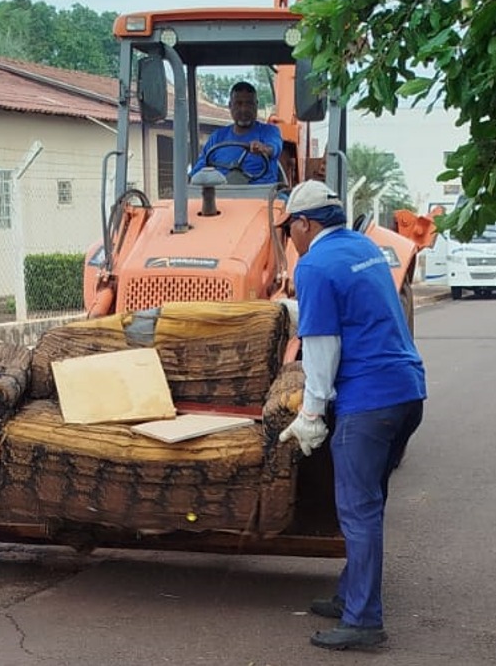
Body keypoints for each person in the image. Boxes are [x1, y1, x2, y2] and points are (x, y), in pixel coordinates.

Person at [275, 181, 426, 651]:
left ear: (304, 224)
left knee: (357, 512)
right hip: (407, 393)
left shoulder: (314, 264)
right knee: (369, 504)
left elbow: (323, 346)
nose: (289, 239)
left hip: (369, 402)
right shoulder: (364, 248)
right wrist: (285, 310)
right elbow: (352, 312)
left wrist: (312, 413)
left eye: (290, 230)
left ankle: (363, 620)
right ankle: (350, 595)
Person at [190, 81, 282, 184]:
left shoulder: (269, 131)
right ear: (230, 105)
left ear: (256, 105)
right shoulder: (217, 137)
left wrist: (264, 149)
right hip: (222, 194)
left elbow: (274, 148)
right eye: (239, 104)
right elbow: (199, 170)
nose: (244, 109)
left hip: (262, 193)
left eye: (249, 104)